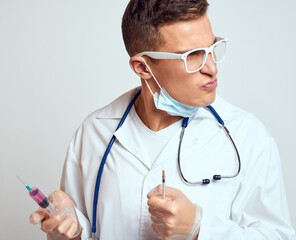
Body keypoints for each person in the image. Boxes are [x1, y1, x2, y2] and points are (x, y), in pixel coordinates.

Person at [30, 0, 296, 239]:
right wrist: (71, 230)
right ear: (143, 67)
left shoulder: (247, 136)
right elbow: (85, 232)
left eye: (213, 48)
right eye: (192, 55)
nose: (212, 68)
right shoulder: (94, 132)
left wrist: (201, 229)